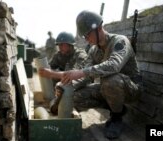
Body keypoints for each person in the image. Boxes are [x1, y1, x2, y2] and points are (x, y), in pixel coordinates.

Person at [42, 10, 141, 139]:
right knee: (74, 96)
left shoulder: (120, 41)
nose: (87, 40)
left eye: (87, 35)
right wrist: (67, 86)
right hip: (107, 88)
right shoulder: (94, 50)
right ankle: (116, 107)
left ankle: (116, 118)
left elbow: (114, 65)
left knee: (110, 79)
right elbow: (86, 75)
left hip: (130, 88)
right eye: (84, 37)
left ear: (99, 28)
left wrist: (81, 72)